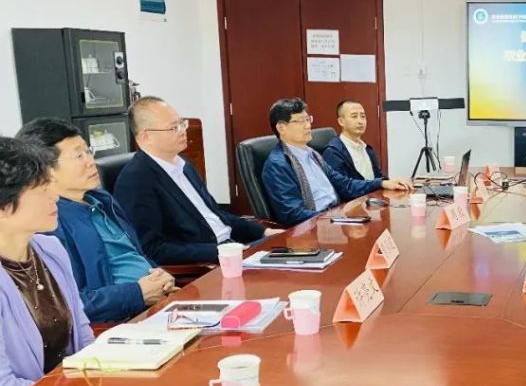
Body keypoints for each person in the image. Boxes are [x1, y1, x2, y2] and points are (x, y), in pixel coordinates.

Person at [0, 137, 99, 386]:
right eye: (42, 189)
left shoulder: (50, 249)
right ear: (3, 206)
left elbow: (84, 340)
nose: (55, 196)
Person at [16, 118, 175, 322]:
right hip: (118, 322)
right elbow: (65, 304)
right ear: (47, 170)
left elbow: (133, 255)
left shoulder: (102, 199)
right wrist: (136, 294)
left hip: (156, 305)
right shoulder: (48, 223)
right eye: (78, 156)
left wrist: (161, 276)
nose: (91, 162)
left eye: (88, 151)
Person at [114, 96, 283, 264]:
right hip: (207, 262)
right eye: (173, 128)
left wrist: (264, 232)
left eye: (182, 123)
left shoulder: (184, 164)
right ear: (146, 136)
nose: (182, 131)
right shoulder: (136, 180)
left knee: (289, 247)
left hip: (233, 248)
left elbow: (216, 215)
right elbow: (153, 249)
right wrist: (222, 252)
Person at [261, 98, 411, 226]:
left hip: (335, 216)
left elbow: (345, 185)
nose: (308, 125)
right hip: (317, 226)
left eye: (308, 119)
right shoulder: (278, 165)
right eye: (300, 121)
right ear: (281, 128)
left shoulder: (313, 155)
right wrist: (334, 217)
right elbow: (293, 214)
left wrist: (382, 183)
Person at [322, 99, 388, 181]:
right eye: (354, 116)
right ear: (341, 121)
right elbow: (343, 186)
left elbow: (379, 177)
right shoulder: (333, 152)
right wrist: (379, 183)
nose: (360, 121)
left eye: (363, 116)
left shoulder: (367, 149)